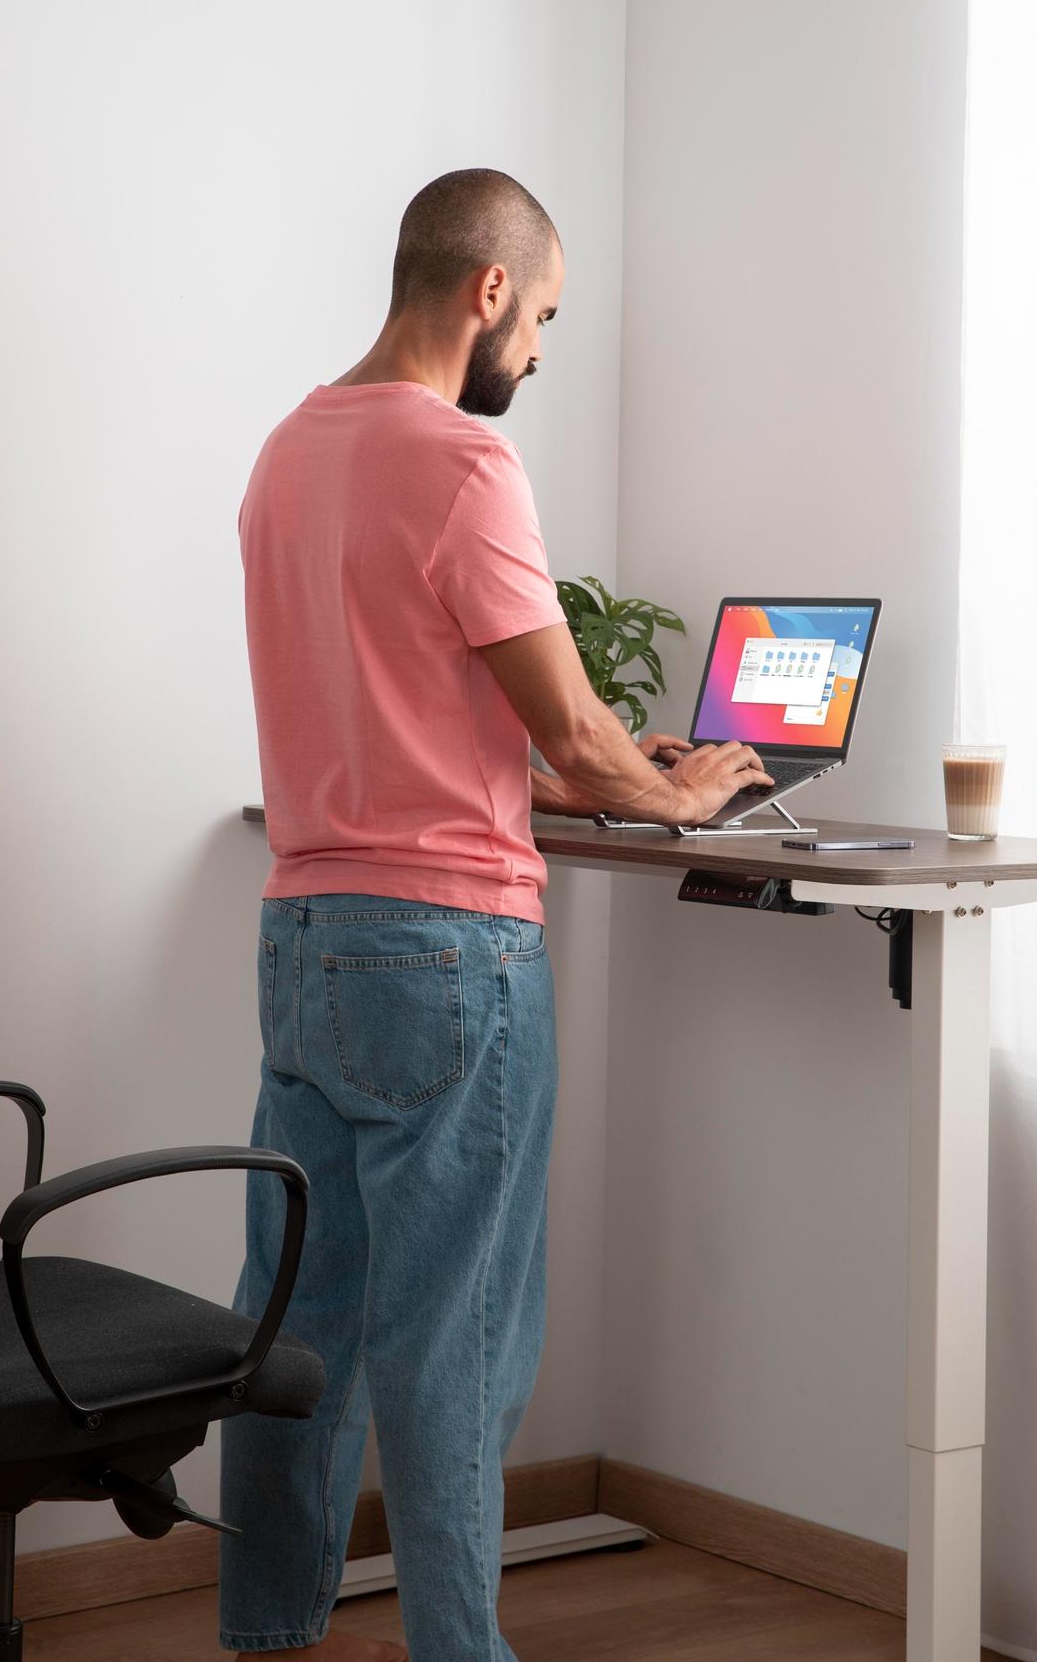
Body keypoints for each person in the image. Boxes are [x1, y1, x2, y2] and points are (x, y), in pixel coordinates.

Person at [218, 168, 771, 1660]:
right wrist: (680, 792)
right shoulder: (460, 463)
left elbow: (409, 722)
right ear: (485, 292)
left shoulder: (284, 452)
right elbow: (585, 744)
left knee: (298, 1323)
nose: (534, 350)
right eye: (540, 318)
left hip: (307, 939)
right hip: (450, 950)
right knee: (455, 1335)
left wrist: (579, 774)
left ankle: (266, 1633)